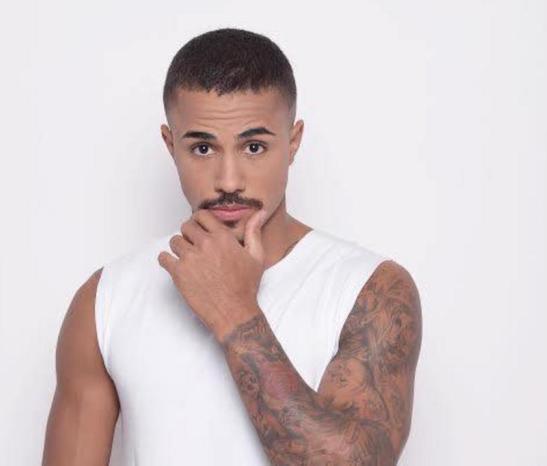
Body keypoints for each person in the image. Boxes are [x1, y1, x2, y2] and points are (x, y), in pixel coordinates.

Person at [42, 27, 422, 466]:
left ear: (293, 143)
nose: (228, 181)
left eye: (254, 147)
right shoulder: (107, 298)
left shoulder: (369, 289)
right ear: (170, 145)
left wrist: (234, 312)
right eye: (203, 148)